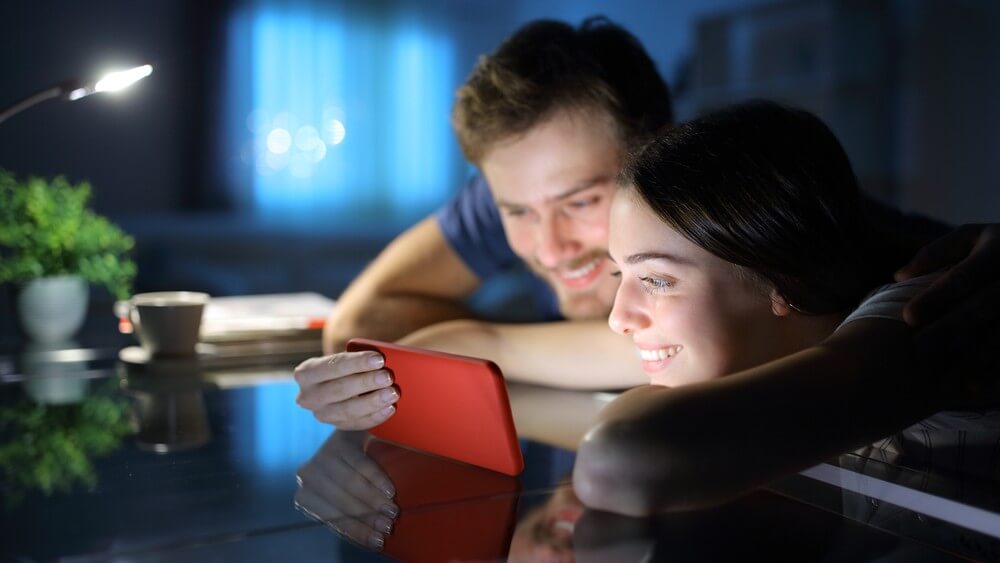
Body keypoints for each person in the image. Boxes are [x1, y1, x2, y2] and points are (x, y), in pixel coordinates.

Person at [295, 16, 1000, 431]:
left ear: (656, 152)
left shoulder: (781, 226)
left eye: (580, 201)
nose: (547, 246)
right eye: (516, 211)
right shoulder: (524, 198)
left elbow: (960, 266)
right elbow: (370, 320)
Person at [571, 101, 999, 516]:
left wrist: (632, 411)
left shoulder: (914, 314)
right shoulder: (783, 333)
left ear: (784, 281)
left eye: (656, 281)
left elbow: (617, 464)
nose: (617, 319)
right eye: (617, 276)